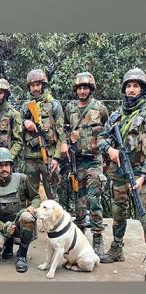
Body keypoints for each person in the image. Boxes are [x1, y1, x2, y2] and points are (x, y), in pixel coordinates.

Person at [98, 68, 146, 263]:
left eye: (136, 86)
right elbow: (101, 138)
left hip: (140, 174)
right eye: (129, 86)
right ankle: (117, 249)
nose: (132, 90)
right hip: (119, 173)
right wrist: (110, 149)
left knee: (144, 215)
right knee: (119, 212)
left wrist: (144, 175)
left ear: (142, 90)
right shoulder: (117, 115)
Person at [61, 72, 108, 255]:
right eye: (79, 88)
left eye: (85, 88)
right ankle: (79, 237)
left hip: (94, 161)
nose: (82, 91)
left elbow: (107, 132)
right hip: (77, 161)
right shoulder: (70, 109)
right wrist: (65, 142)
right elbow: (63, 129)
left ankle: (97, 239)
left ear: (91, 89)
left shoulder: (100, 108)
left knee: (94, 199)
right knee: (78, 200)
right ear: (76, 90)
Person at [0, 147, 40, 272]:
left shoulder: (22, 179)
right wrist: (3, 226)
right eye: (0, 165)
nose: (4, 169)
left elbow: (36, 197)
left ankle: (22, 255)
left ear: (11, 165)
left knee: (27, 217)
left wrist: (32, 207)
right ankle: (7, 245)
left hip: (19, 222)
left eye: (7, 165)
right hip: (2, 226)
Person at [20, 69, 65, 200]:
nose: (35, 88)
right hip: (30, 157)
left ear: (43, 85)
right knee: (32, 195)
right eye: (32, 85)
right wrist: (25, 122)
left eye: (38, 85)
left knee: (52, 195)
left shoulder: (54, 105)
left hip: (49, 156)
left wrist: (57, 158)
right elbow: (17, 128)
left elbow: (61, 134)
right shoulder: (25, 107)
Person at [0, 78, 23, 180]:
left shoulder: (14, 114)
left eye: (1, 93)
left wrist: (8, 157)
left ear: (6, 94)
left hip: (9, 163)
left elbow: (19, 141)